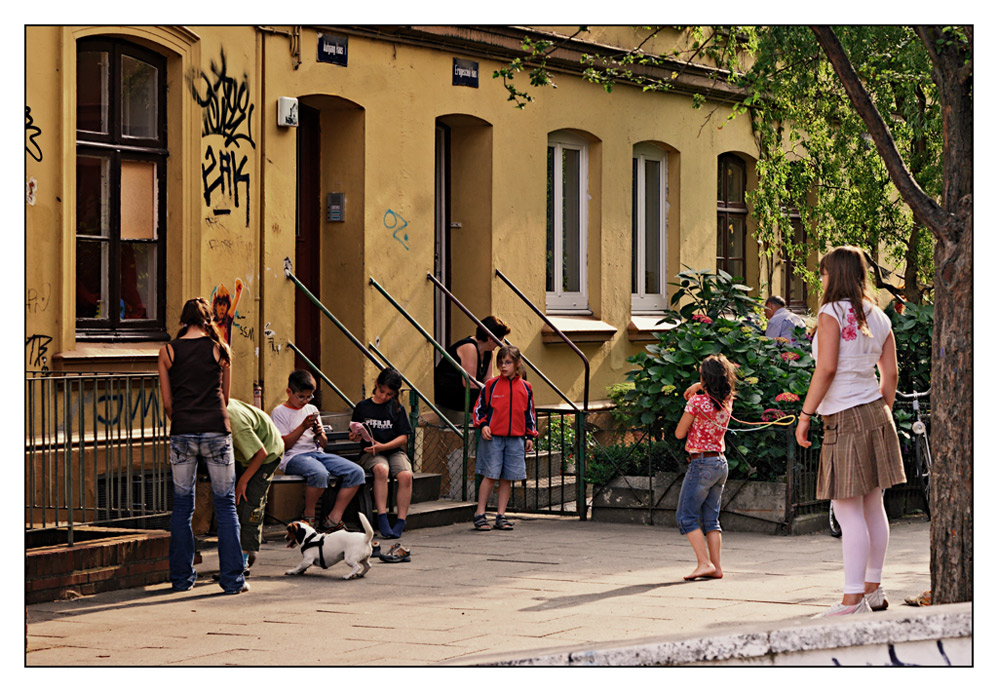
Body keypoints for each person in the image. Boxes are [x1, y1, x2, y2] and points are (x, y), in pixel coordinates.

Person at [796, 245, 906, 617]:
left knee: (846, 511)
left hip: (844, 415)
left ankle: (851, 598)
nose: (821, 278)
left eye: (824, 271)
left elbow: (825, 369)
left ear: (836, 275)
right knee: (874, 505)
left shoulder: (830, 313)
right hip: (877, 411)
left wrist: (805, 413)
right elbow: (889, 375)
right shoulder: (878, 316)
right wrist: (880, 412)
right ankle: (872, 588)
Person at [157, 297, 247, 594]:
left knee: (182, 507)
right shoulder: (220, 349)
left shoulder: (168, 351)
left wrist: (183, 418)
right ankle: (233, 580)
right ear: (208, 319)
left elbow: (168, 403)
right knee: (225, 505)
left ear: (183, 319)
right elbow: (227, 398)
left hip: (183, 431)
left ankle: (182, 579)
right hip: (216, 431)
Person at [271, 370, 366, 532]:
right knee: (319, 473)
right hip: (293, 457)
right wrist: (302, 427)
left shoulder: (311, 409)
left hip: (317, 454)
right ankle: (309, 515)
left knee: (356, 472)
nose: (305, 401)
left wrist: (319, 433)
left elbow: (323, 444)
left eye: (309, 397)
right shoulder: (279, 412)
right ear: (289, 392)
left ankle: (333, 518)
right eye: (301, 396)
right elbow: (284, 445)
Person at [675, 354, 737, 581]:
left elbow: (680, 433)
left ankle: (704, 563)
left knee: (686, 517)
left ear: (705, 378)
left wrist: (694, 393)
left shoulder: (696, 403)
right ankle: (717, 567)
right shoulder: (728, 400)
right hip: (720, 462)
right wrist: (699, 385)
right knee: (712, 519)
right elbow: (716, 389)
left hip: (700, 463)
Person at [470, 345, 538, 531]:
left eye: (507, 362)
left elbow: (529, 413)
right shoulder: (491, 386)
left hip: (515, 439)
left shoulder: (526, 387)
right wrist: (483, 425)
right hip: (493, 438)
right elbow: (478, 409)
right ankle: (480, 513)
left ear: (517, 364)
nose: (503, 366)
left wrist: (530, 434)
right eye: (501, 362)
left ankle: (501, 515)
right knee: (490, 475)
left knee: (508, 477)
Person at [349, 368, 414, 539]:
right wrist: (355, 436)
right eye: (381, 391)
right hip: (370, 452)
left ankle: (401, 520)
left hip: (391, 449)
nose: (384, 397)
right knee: (381, 470)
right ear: (376, 385)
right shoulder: (363, 407)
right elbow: (355, 432)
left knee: (406, 475)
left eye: (389, 394)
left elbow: (403, 438)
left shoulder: (397, 408)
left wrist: (383, 446)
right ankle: (382, 517)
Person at [227, 398, 284, 572]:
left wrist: (243, 481)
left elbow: (261, 454)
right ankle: (239, 551)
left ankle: (244, 559)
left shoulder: (235, 424)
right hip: (244, 454)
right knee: (234, 503)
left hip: (267, 453)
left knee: (250, 501)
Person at [434, 315, 511, 425]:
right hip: (451, 396)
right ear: (490, 338)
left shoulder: (489, 351)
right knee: (493, 400)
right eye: (499, 340)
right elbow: (470, 382)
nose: (500, 345)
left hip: (468, 395)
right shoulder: (469, 347)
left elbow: (488, 378)